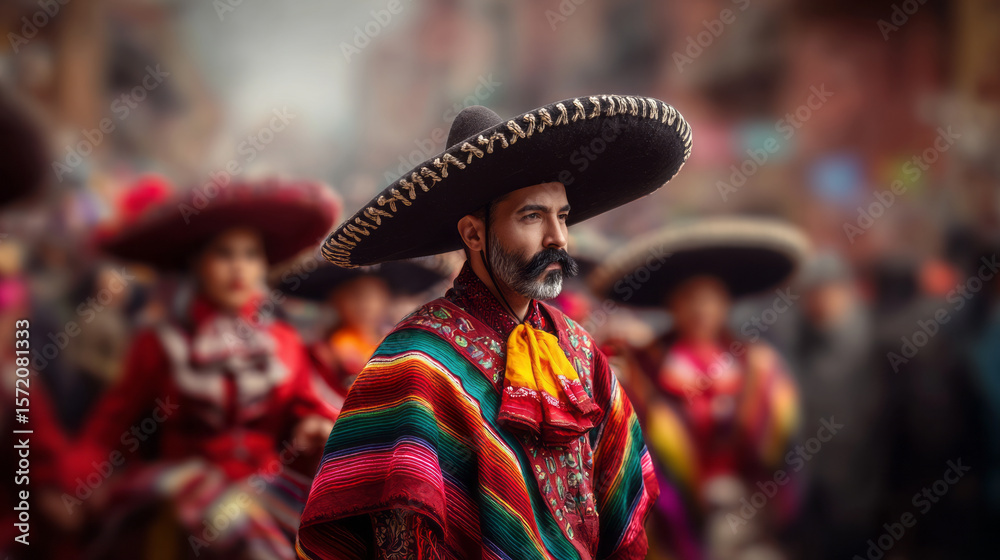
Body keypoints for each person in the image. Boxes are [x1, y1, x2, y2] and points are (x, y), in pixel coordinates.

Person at [298, 94, 693, 559]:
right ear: (473, 234)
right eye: (532, 216)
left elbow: (620, 499)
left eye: (562, 216)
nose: (558, 238)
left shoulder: (582, 352)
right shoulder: (416, 363)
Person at [68, 175, 341, 559]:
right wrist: (74, 487)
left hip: (266, 489)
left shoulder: (285, 341)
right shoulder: (161, 340)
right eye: (224, 254)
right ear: (197, 263)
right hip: (181, 492)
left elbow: (306, 403)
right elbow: (109, 426)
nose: (239, 269)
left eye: (250, 255)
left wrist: (312, 423)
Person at [590, 218, 808, 560]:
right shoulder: (641, 369)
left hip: (748, 519)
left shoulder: (759, 365)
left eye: (711, 298)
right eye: (689, 298)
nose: (701, 309)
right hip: (667, 523)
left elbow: (783, 449)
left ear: (725, 303)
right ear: (671, 304)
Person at [277, 260, 446, 408]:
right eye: (355, 294)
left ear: (387, 298)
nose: (366, 304)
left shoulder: (402, 349)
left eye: (374, 294)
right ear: (334, 299)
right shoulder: (319, 354)